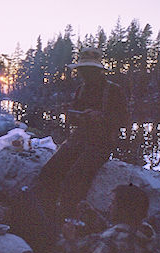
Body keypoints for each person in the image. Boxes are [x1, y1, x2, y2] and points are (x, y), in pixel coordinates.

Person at [35, 47, 128, 221]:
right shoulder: (81, 90)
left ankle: (70, 221)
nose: (84, 74)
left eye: (88, 70)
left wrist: (101, 117)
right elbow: (75, 120)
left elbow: (123, 120)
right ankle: (45, 215)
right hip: (78, 140)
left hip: (101, 143)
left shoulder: (113, 91)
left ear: (98, 71)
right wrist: (71, 115)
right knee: (49, 171)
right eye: (82, 70)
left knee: (75, 178)